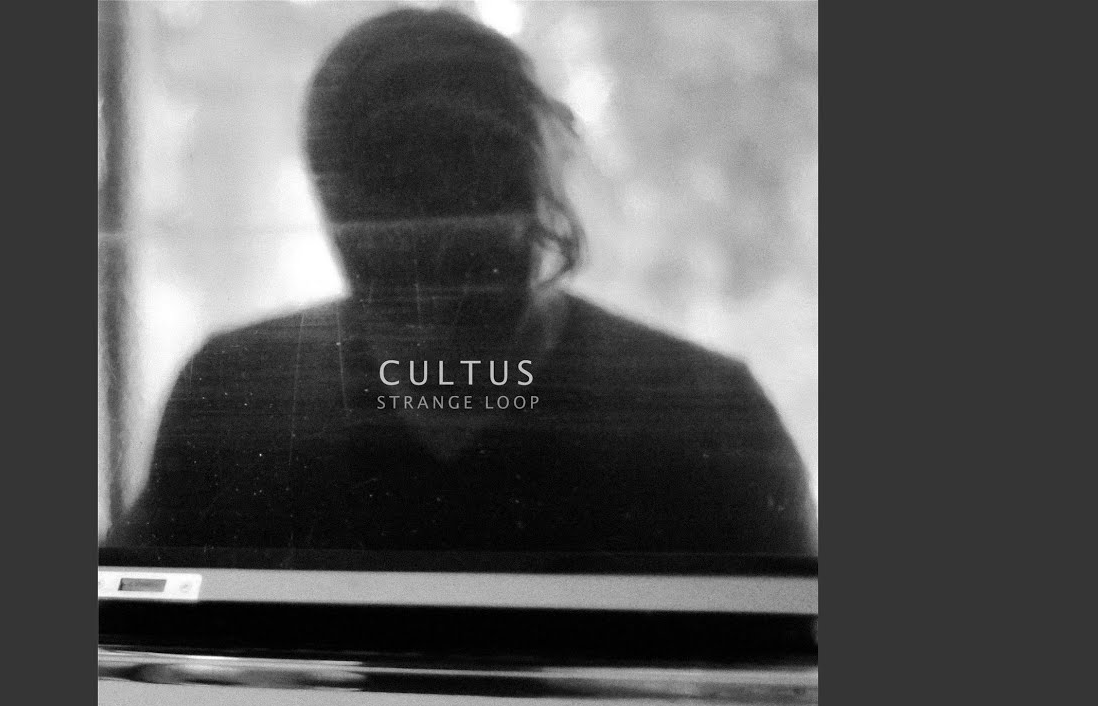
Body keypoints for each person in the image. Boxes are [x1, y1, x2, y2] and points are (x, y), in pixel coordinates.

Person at [107, 8, 817, 555]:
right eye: (396, 188)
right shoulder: (234, 397)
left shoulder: (237, 395)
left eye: (463, 177)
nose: (434, 237)